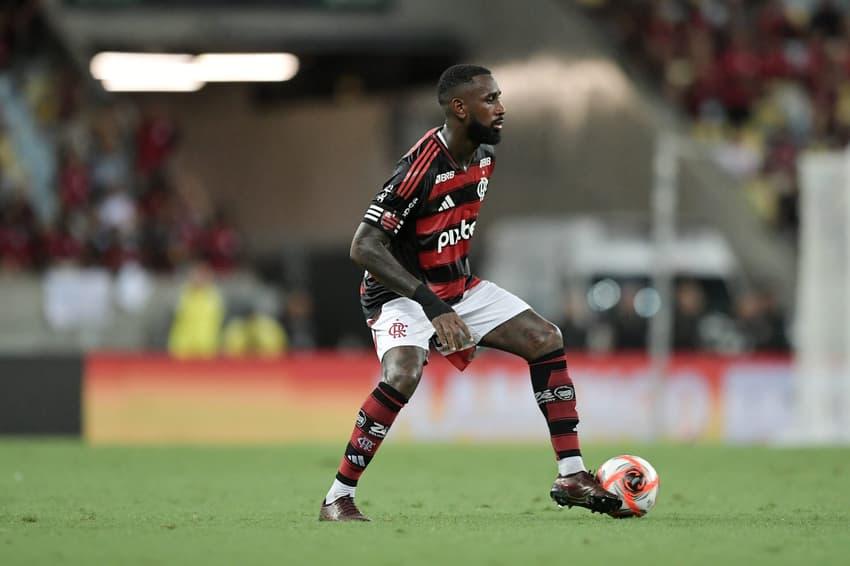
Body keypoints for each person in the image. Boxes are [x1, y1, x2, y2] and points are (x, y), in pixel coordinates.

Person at [319, 64, 621, 521]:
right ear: (459, 108)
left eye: (499, 98)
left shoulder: (483, 156)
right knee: (402, 374)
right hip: (399, 293)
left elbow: (446, 231)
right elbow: (363, 246)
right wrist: (433, 308)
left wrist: (454, 304)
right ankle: (337, 497)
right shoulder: (418, 167)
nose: (501, 109)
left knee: (546, 338)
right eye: (490, 100)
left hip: (456, 286)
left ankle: (572, 474)